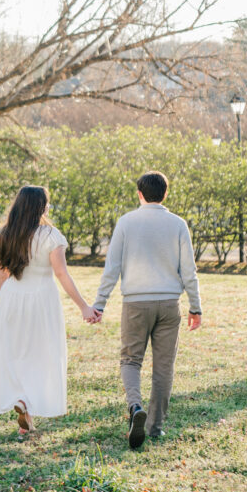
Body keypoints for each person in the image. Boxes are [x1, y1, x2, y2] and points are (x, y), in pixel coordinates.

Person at [90, 171, 202, 449]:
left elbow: (112, 267)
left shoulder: (126, 222)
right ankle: (155, 427)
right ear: (165, 194)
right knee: (164, 367)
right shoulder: (178, 224)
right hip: (169, 305)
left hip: (136, 303)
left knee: (130, 360)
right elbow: (189, 270)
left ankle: (135, 406)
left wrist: (100, 303)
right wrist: (195, 307)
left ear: (139, 194)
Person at [0, 184, 99, 436]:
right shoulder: (50, 236)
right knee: (41, 354)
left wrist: (1, 306)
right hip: (42, 300)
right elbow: (61, 273)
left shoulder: (5, 234)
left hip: (11, 298)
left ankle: (24, 406)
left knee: (16, 354)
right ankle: (26, 403)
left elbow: (1, 274)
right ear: (41, 207)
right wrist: (84, 306)